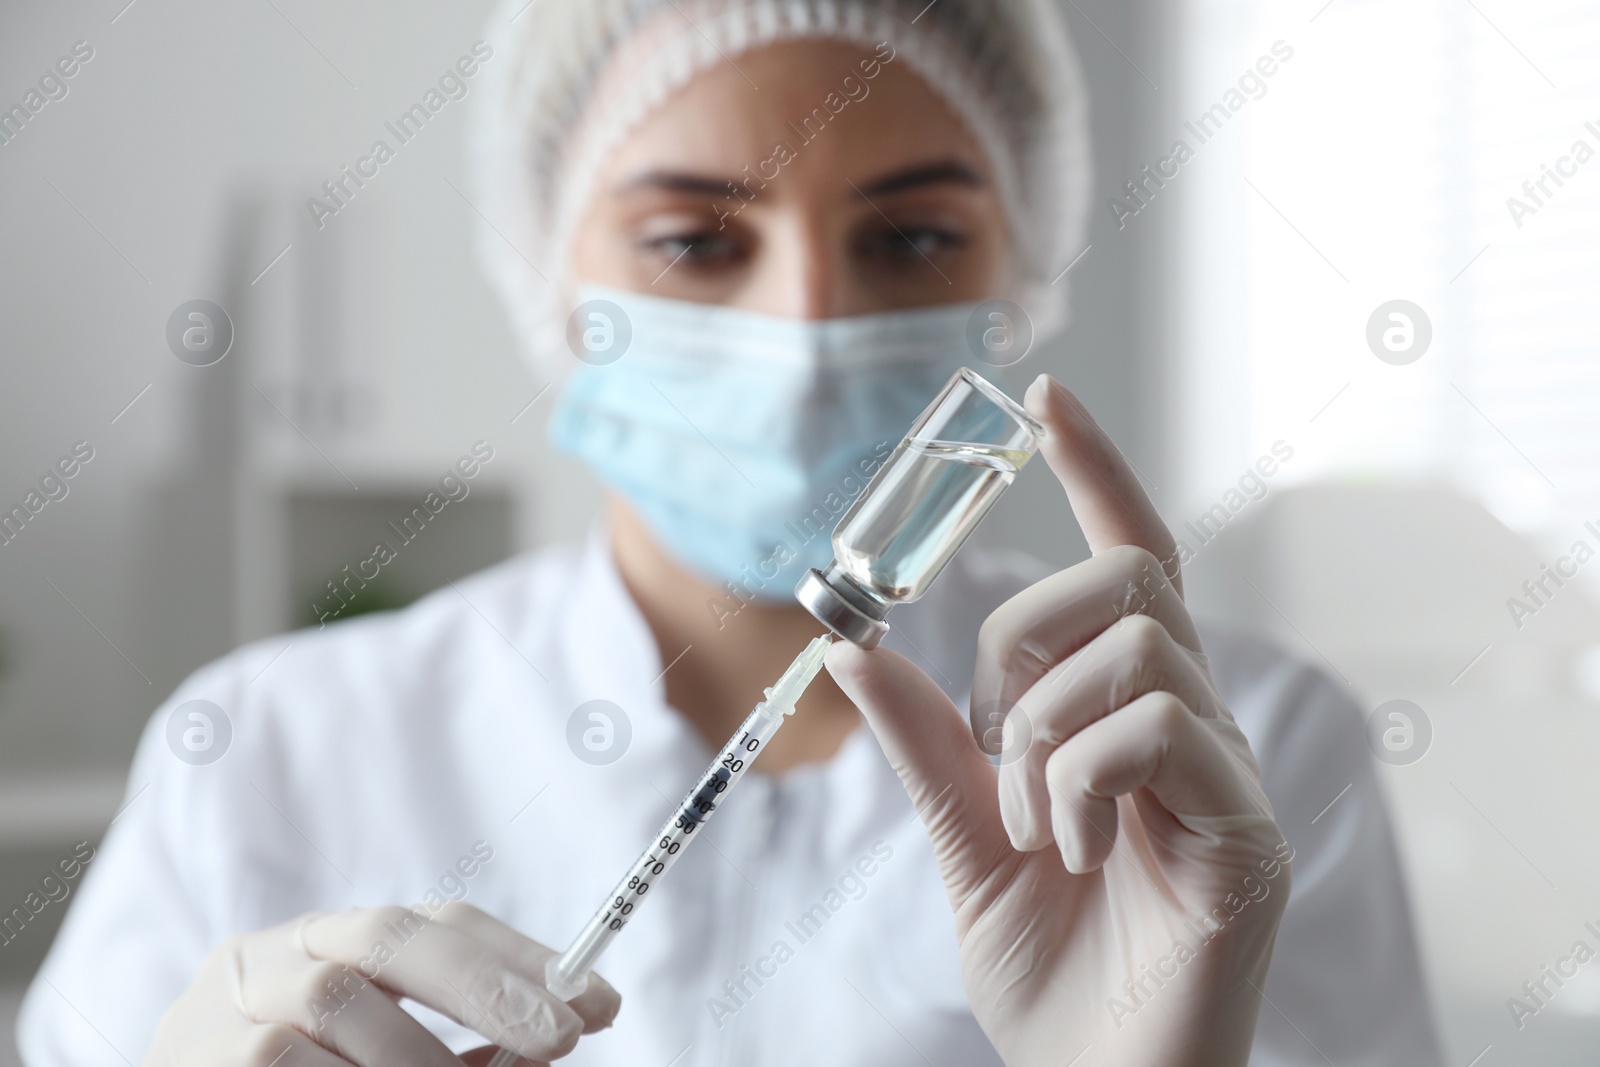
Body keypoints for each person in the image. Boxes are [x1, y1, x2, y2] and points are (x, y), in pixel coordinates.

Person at [18, 1, 1443, 1065]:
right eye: (697, 242)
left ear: (1025, 265)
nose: (806, 326)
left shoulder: (1224, 755)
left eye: (910, 240)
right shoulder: (263, 750)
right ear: (546, 273)